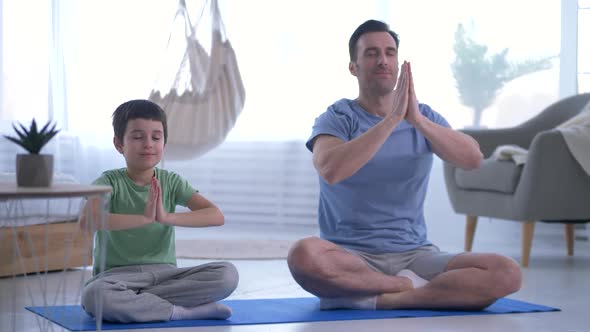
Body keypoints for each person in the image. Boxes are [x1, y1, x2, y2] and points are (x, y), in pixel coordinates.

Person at [287, 20, 521, 311]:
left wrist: (418, 122)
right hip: (350, 256)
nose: (383, 60)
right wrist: (390, 121)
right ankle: (405, 286)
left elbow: (472, 159)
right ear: (353, 67)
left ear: (398, 62)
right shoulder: (337, 117)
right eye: (371, 53)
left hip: (416, 256)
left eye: (390, 52)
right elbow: (330, 169)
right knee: (304, 256)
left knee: (507, 272)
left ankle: (377, 297)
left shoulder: (423, 117)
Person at [79, 99, 238, 323]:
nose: (148, 144)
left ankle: (140, 303)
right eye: (137, 137)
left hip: (165, 275)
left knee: (227, 275)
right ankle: (181, 312)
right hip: (116, 278)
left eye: (156, 137)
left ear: (164, 142)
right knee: (95, 296)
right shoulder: (107, 181)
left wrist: (166, 217)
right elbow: (88, 220)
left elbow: (216, 215)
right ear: (119, 144)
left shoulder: (171, 181)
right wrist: (143, 218)